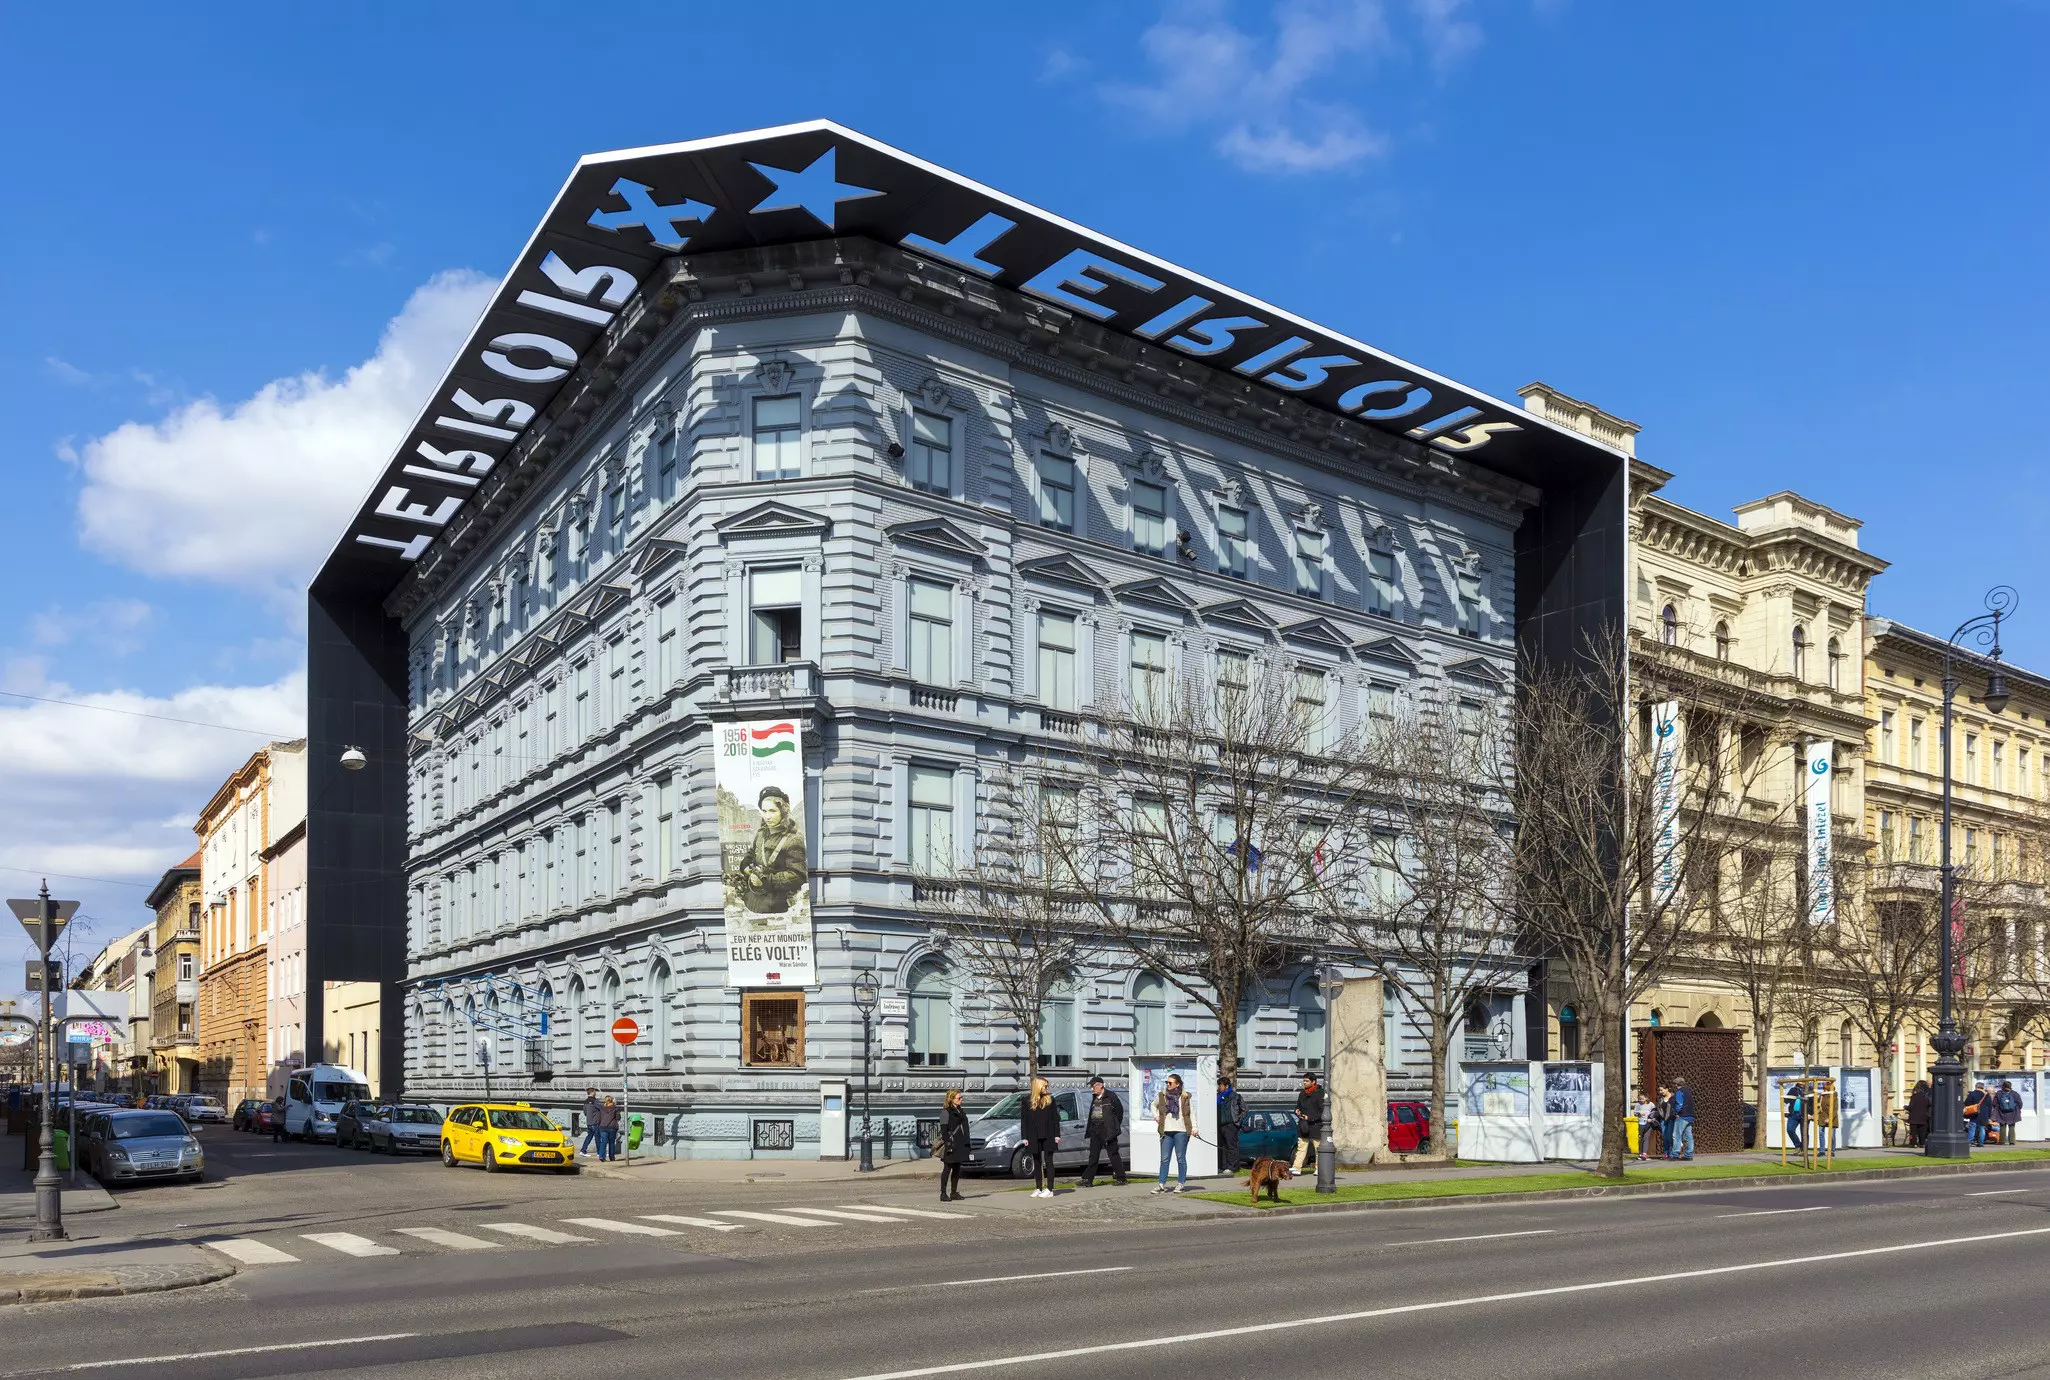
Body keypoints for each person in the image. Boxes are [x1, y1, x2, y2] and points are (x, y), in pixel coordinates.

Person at [729, 786, 809, 914]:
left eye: (772, 811)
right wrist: (746, 867)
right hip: (752, 900)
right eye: (764, 811)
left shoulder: (794, 839)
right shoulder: (761, 834)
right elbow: (751, 854)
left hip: (779, 906)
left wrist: (765, 880)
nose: (767, 816)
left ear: (783, 811)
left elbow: (798, 876)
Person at [1079, 1074, 1127, 1187]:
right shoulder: (1095, 1097)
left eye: (1093, 1086)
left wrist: (1114, 1126)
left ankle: (1121, 1178)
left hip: (1108, 1130)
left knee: (1113, 1154)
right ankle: (1088, 1180)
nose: (1091, 1088)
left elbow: (1119, 1112)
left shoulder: (1111, 1096)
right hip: (1095, 1130)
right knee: (1093, 1155)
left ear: (1100, 1086)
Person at [1021, 1076, 1062, 1197]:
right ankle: (1038, 1187)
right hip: (1033, 1135)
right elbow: (1024, 1120)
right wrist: (1024, 1137)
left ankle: (1050, 1189)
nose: (1047, 1088)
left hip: (1048, 1134)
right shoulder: (1026, 1100)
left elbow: (1055, 1119)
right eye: (1045, 1086)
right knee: (1037, 1161)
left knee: (1049, 1161)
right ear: (1038, 1086)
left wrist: (1057, 1135)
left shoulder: (1050, 1099)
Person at [1153, 1073, 1193, 1193]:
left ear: (1177, 1084)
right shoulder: (1163, 1095)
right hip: (1166, 1131)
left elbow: (1191, 1113)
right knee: (1164, 1159)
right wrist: (1156, 1116)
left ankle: (1181, 1183)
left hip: (1181, 1130)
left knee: (1180, 1158)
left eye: (1170, 1083)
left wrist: (1194, 1128)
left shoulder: (1185, 1096)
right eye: (1167, 1082)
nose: (1168, 1085)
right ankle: (1161, 1184)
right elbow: (1152, 1105)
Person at [937, 1089, 970, 1202]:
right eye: (959, 1098)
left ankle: (954, 1192)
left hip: (960, 1144)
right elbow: (944, 1130)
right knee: (947, 1169)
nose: (961, 1099)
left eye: (961, 1098)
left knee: (957, 1168)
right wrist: (948, 1144)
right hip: (951, 1144)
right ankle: (943, 1193)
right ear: (951, 1099)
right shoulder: (946, 1112)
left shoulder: (960, 1111)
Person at [1291, 1071, 1326, 1176]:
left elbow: (1323, 1112)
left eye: (1307, 1081)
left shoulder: (1320, 1094)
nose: (1304, 1083)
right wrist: (1297, 1110)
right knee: (1301, 1147)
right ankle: (1296, 1167)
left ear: (1313, 1082)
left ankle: (1319, 1169)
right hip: (1304, 1125)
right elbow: (1298, 1106)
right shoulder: (1302, 1094)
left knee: (1318, 1149)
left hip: (1316, 1126)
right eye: (1304, 1081)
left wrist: (1310, 1117)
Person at [1217, 1074, 1245, 1173]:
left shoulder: (1235, 1096)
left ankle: (1232, 1167)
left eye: (1220, 1085)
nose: (1219, 1088)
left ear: (1226, 1086)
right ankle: (1223, 1166)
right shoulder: (1218, 1096)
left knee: (1231, 1146)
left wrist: (1237, 1120)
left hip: (1230, 1124)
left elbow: (1244, 1109)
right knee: (1222, 1146)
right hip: (1220, 1124)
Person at [1667, 1077, 1696, 1159]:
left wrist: (1675, 1112)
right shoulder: (1688, 1091)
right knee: (1688, 1136)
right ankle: (1688, 1155)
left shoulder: (1679, 1092)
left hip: (1682, 1116)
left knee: (1676, 1135)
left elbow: (1679, 1104)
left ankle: (1675, 1154)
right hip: (1690, 1116)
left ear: (1676, 1084)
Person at [1633, 1091, 1660, 1161]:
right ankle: (1640, 1153)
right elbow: (1635, 1113)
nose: (1640, 1100)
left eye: (1642, 1099)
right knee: (1640, 1138)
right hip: (1641, 1123)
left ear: (1646, 1098)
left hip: (1648, 1124)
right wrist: (1639, 1112)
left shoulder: (1651, 1104)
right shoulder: (1638, 1105)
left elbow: (1655, 1113)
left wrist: (1651, 1119)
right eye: (1639, 1099)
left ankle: (1645, 1153)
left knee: (1646, 1138)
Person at [1996, 1080, 2024, 1145]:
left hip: (2002, 1113)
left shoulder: (1999, 1093)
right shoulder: (2015, 1094)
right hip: (2013, 1113)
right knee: (2011, 1127)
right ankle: (2011, 1141)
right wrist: (2017, 1108)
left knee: (2002, 1127)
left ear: (2003, 1086)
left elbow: (1995, 1103)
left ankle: (2002, 1141)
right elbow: (2020, 1104)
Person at [1906, 1079, 1932, 1148]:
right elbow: (1929, 1105)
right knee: (1922, 1131)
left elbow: (1911, 1107)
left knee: (1913, 1132)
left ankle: (1913, 1143)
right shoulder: (1926, 1097)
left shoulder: (1914, 1097)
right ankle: (1922, 1143)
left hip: (1914, 1117)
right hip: (1923, 1116)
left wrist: (1905, 1107)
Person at [1966, 1082, 1993, 1147]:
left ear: (1976, 1086)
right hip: (1984, 1114)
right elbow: (1990, 1106)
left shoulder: (1972, 1094)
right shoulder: (1987, 1095)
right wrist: (1988, 1116)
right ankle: (1980, 1143)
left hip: (1974, 1113)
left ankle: (1969, 1142)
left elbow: (1967, 1103)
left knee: (1972, 1127)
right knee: (1982, 1128)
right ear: (1982, 1087)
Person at [595, 1095, 621, 1161]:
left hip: (602, 1127)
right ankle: (611, 1157)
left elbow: (599, 1118)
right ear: (612, 1101)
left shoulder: (602, 1108)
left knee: (603, 1142)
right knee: (611, 1143)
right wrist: (615, 1105)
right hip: (612, 1127)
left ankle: (601, 1156)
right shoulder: (615, 1108)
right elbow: (618, 1118)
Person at [1783, 1081, 1807, 1152]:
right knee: (1790, 1130)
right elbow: (1786, 1100)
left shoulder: (1809, 1089)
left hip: (1804, 1114)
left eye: (1803, 1082)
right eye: (1801, 1082)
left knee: (1804, 1133)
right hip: (1793, 1114)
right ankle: (1798, 1145)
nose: (1802, 1083)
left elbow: (1812, 1102)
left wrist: (1811, 1114)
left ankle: (1804, 1150)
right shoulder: (1793, 1089)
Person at [580, 1088, 602, 1157]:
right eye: (595, 1092)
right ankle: (599, 1152)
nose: (595, 1093)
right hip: (595, 1122)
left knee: (589, 1137)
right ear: (592, 1092)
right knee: (597, 1137)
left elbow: (585, 1112)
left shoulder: (585, 1101)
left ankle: (583, 1150)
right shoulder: (595, 1101)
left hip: (589, 1122)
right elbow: (602, 1108)